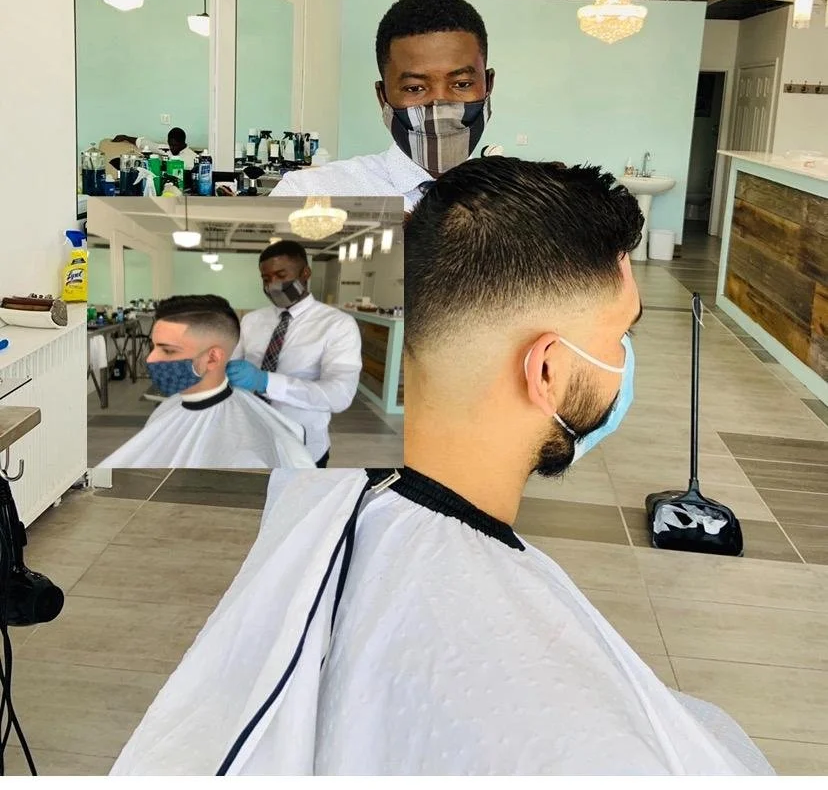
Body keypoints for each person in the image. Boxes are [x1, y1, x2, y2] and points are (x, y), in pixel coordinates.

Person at [108, 159, 773, 776]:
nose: (625, 360)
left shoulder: (327, 505)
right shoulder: (571, 743)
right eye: (619, 334)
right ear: (546, 368)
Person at [270, 0, 495, 208]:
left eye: (462, 84)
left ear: (488, 85)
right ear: (383, 98)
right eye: (415, 88)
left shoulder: (521, 205)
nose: (440, 103)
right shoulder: (308, 196)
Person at [98, 294, 314, 469]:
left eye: (168, 350)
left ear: (212, 358)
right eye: (153, 347)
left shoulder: (247, 452)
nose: (150, 359)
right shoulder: (165, 409)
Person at [226, 241, 362, 468]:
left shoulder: (338, 325)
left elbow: (340, 395)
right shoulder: (252, 320)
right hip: (249, 438)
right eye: (266, 278)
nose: (273, 285)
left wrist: (267, 382)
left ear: (305, 273)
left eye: (281, 275)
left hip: (303, 445)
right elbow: (230, 367)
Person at [112, 127, 199, 170]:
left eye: (175, 145)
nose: (172, 148)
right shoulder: (166, 149)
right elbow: (145, 143)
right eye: (170, 144)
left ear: (183, 142)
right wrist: (125, 137)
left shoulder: (193, 157)